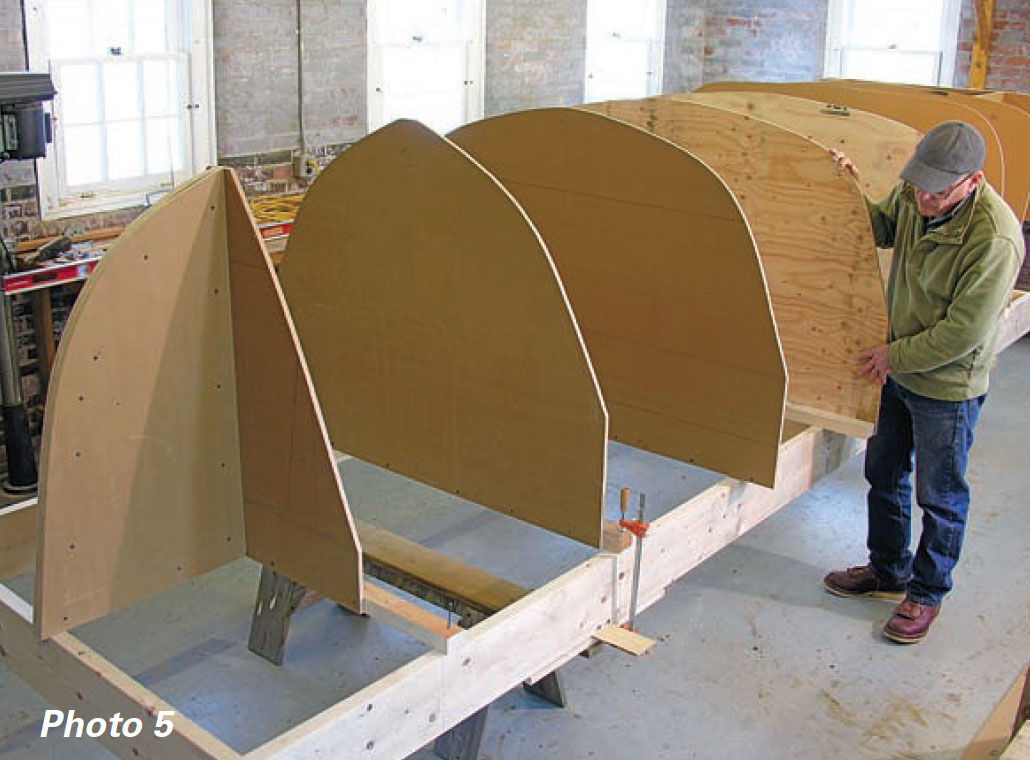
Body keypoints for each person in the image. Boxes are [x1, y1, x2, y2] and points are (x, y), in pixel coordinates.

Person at [823, 121, 1024, 644]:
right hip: (897, 368)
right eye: (919, 187)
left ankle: (926, 593)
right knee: (884, 473)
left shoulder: (996, 239)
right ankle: (888, 569)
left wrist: (894, 355)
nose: (924, 201)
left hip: (947, 385)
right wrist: (843, 191)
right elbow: (881, 227)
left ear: (972, 181)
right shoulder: (916, 194)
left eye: (938, 193)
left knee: (941, 495)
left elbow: (964, 332)